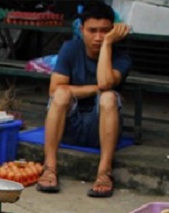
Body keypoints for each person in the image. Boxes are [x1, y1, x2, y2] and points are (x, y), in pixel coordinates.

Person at [36, 2, 131, 197]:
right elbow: (54, 90)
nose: (98, 37)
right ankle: (49, 167)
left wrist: (107, 44)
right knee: (61, 94)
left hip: (102, 132)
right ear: (81, 29)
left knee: (108, 98)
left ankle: (104, 172)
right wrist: (94, 89)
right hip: (69, 128)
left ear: (112, 30)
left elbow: (106, 83)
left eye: (104, 31)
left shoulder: (121, 56)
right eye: (92, 30)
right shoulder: (70, 48)